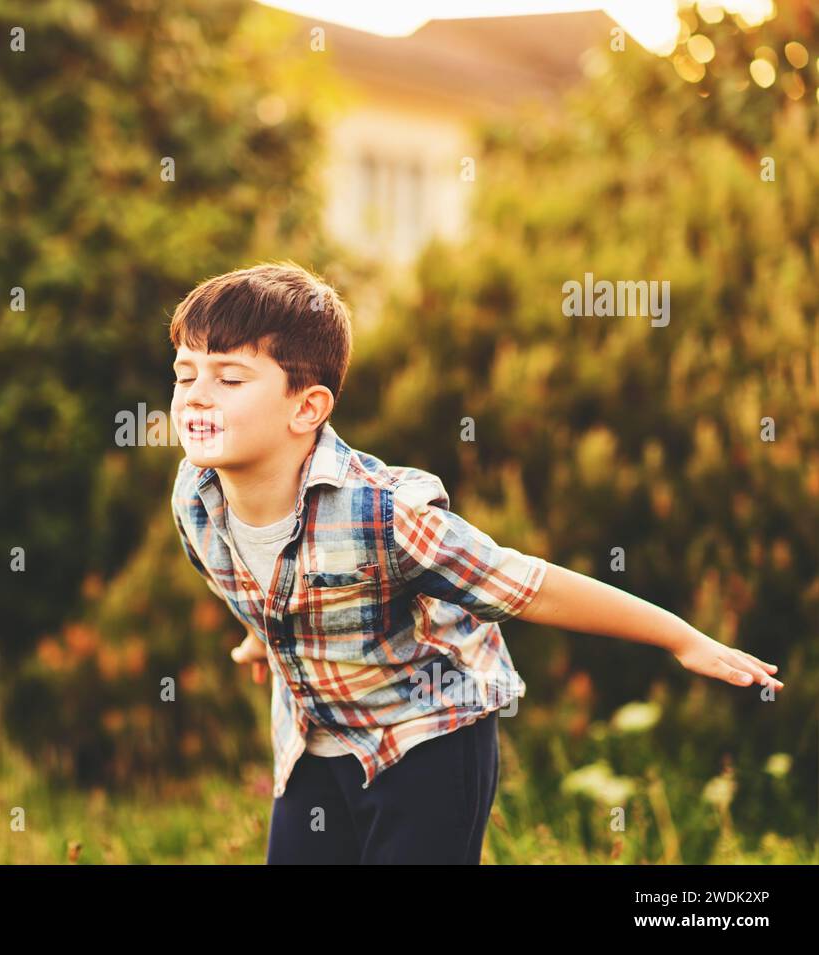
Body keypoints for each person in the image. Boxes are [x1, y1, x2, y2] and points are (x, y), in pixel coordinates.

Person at [167, 261, 783, 864]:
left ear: (307, 408)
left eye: (230, 378)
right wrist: (259, 638)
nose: (197, 395)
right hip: (312, 747)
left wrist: (681, 637)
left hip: (428, 744)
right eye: (185, 374)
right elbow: (259, 579)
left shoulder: (382, 516)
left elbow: (529, 586)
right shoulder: (194, 499)